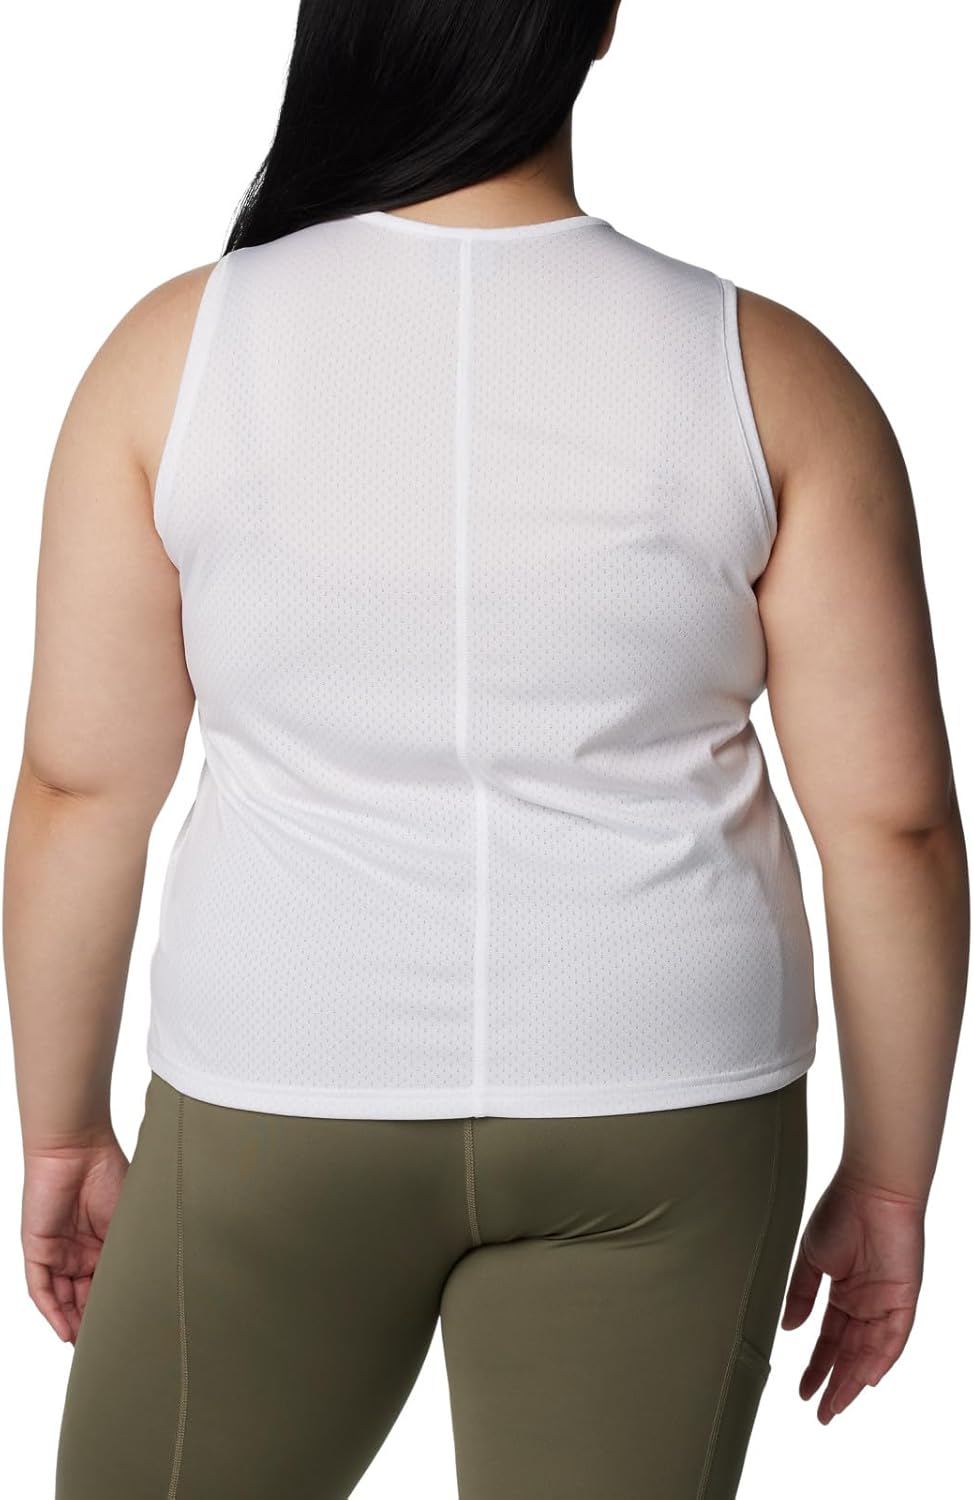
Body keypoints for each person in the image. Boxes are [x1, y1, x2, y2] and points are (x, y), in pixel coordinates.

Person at [3, 1, 967, 1495]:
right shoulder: (771, 370)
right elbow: (891, 826)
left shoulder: (174, 353)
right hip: (664, 1095)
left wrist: (61, 1129)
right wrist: (891, 1179)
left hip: (278, 1088)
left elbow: (81, 791)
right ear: (598, 22)